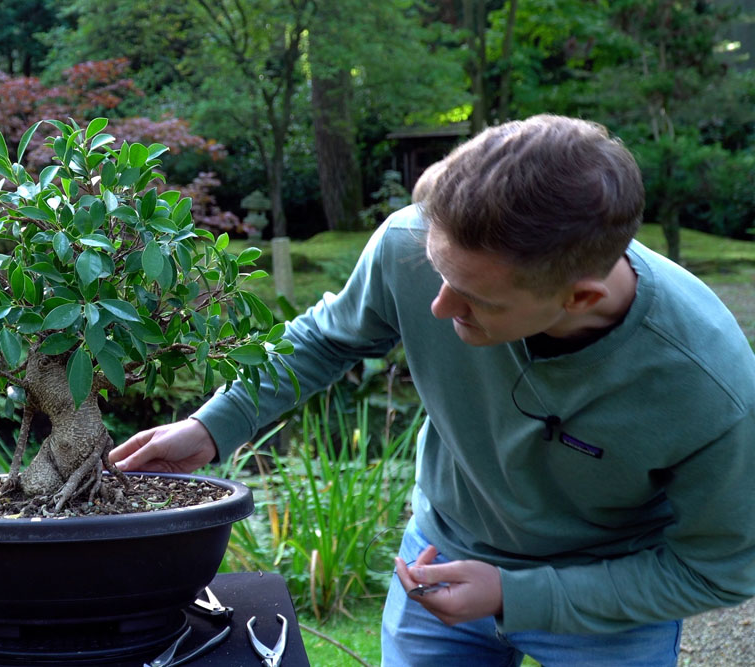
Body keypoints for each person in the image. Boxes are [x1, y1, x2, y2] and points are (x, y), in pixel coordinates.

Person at [110, 115, 755, 666]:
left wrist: (517, 594)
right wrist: (214, 425)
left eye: (472, 297)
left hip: (608, 600)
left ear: (579, 296)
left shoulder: (708, 387)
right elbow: (324, 339)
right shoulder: (413, 245)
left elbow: (716, 567)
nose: (439, 306)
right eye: (437, 274)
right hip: (440, 552)